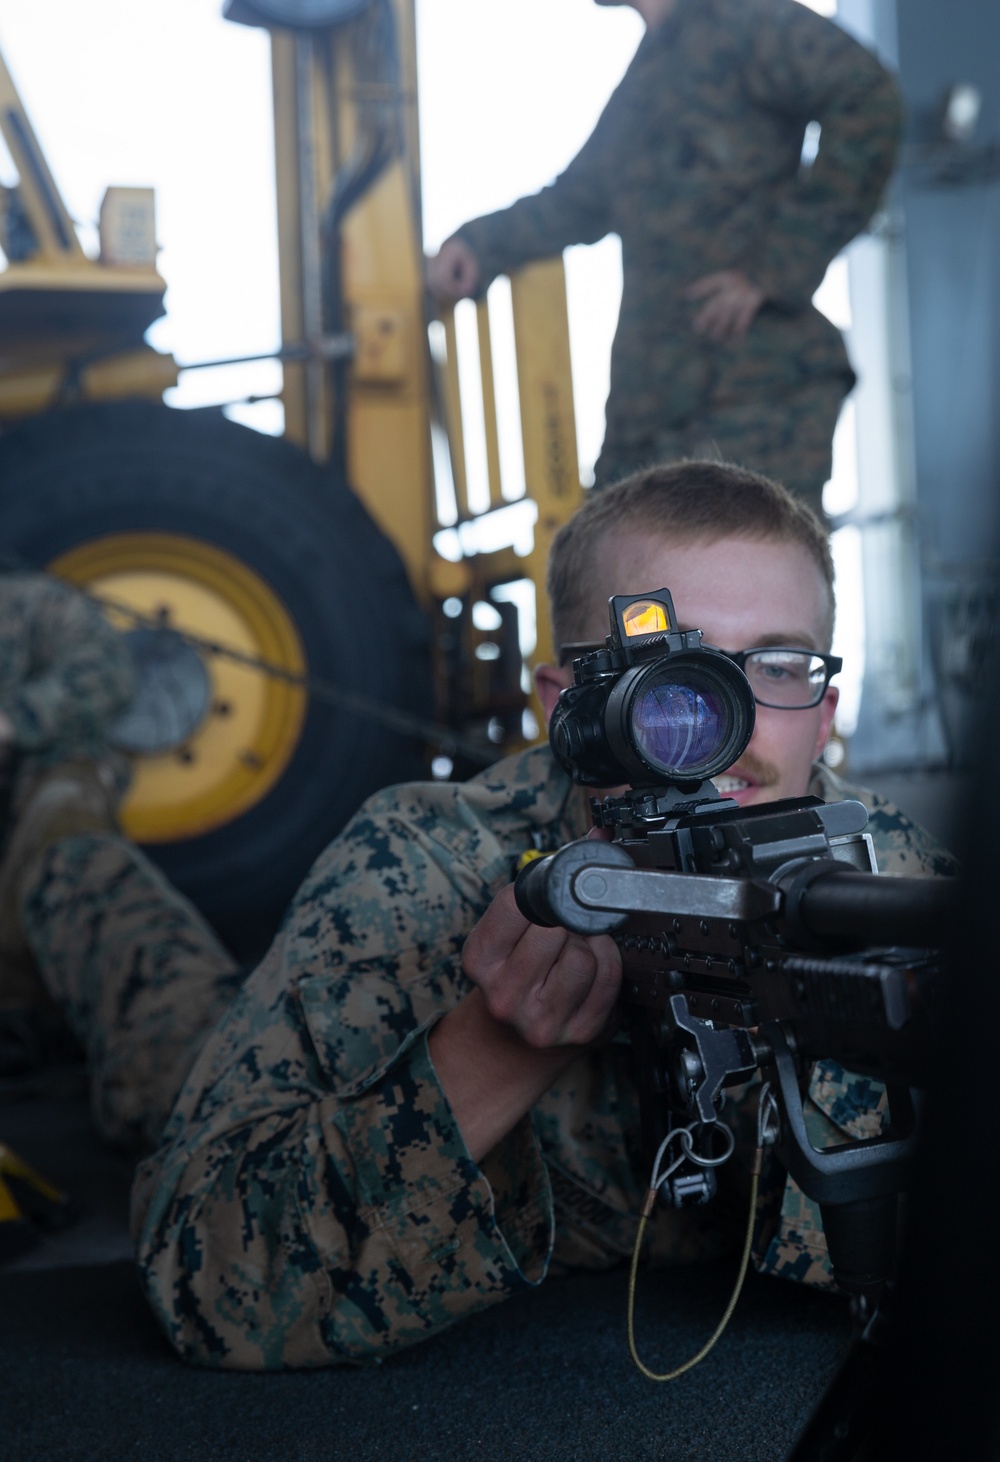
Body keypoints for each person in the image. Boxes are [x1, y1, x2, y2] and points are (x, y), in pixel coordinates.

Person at [6, 462, 950, 1369]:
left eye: (778, 666)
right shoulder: (425, 868)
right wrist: (492, 1055)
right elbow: (198, 1274)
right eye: (678, 676)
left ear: (824, 715)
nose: (726, 727)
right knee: (151, 1020)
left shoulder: (883, 879)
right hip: (243, 1064)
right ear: (568, 711)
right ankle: (61, 836)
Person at [425, 0, 902, 514]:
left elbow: (868, 98)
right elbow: (578, 199)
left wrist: (777, 268)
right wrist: (479, 245)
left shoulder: (742, 21)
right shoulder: (647, 80)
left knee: (737, 581)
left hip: (751, 394)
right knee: (618, 588)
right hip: (651, 409)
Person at [0, 569, 135, 1039]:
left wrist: (14, 720)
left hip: (41, 783)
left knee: (68, 815)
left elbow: (109, 672)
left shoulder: (32, 603)